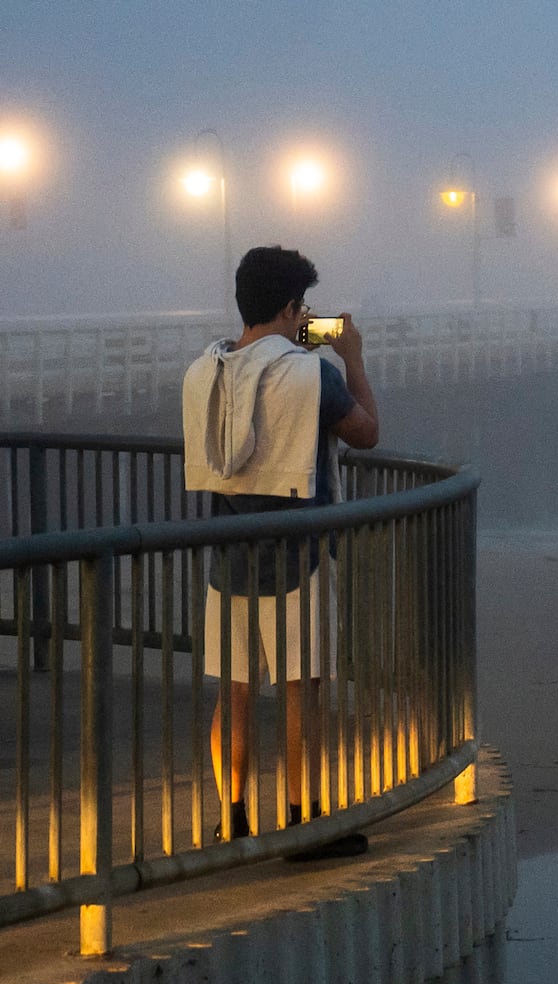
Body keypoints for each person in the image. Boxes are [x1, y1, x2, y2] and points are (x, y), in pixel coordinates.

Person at [181, 245, 379, 857]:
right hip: (302, 553)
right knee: (302, 687)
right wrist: (352, 356)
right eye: (304, 309)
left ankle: (232, 819)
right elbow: (367, 432)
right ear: (292, 306)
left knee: (235, 690)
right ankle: (304, 824)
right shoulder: (310, 373)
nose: (306, 319)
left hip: (227, 554)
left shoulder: (202, 371)